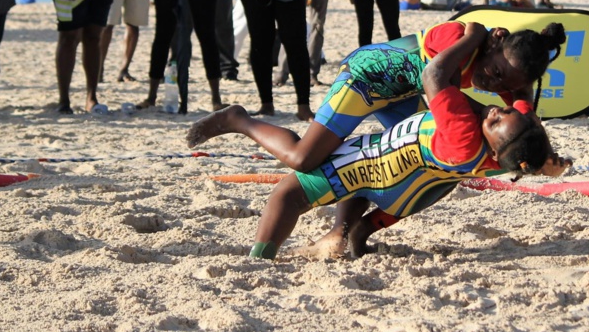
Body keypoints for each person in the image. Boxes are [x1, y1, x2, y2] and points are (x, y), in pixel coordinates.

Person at [191, 22, 563, 259]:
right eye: (496, 73)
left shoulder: (499, 69)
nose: (493, 85)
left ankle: (342, 231)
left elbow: (520, 116)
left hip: (403, 96)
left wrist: (540, 146)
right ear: (496, 40)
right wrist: (473, 37)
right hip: (367, 79)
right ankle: (237, 119)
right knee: (304, 158)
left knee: (384, 164)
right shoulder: (461, 38)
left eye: (505, 86)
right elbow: (436, 75)